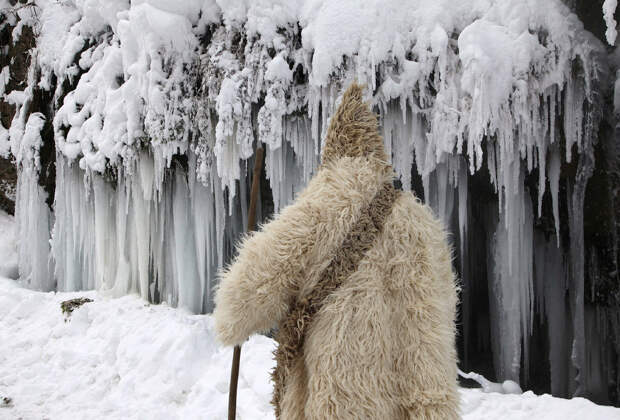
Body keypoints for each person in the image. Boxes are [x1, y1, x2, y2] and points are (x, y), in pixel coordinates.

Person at [214, 83, 459, 419]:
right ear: (376, 155)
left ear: (332, 148)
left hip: (344, 398)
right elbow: (445, 310)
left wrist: (233, 318)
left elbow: (243, 299)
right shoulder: (422, 224)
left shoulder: (319, 207)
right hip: (418, 399)